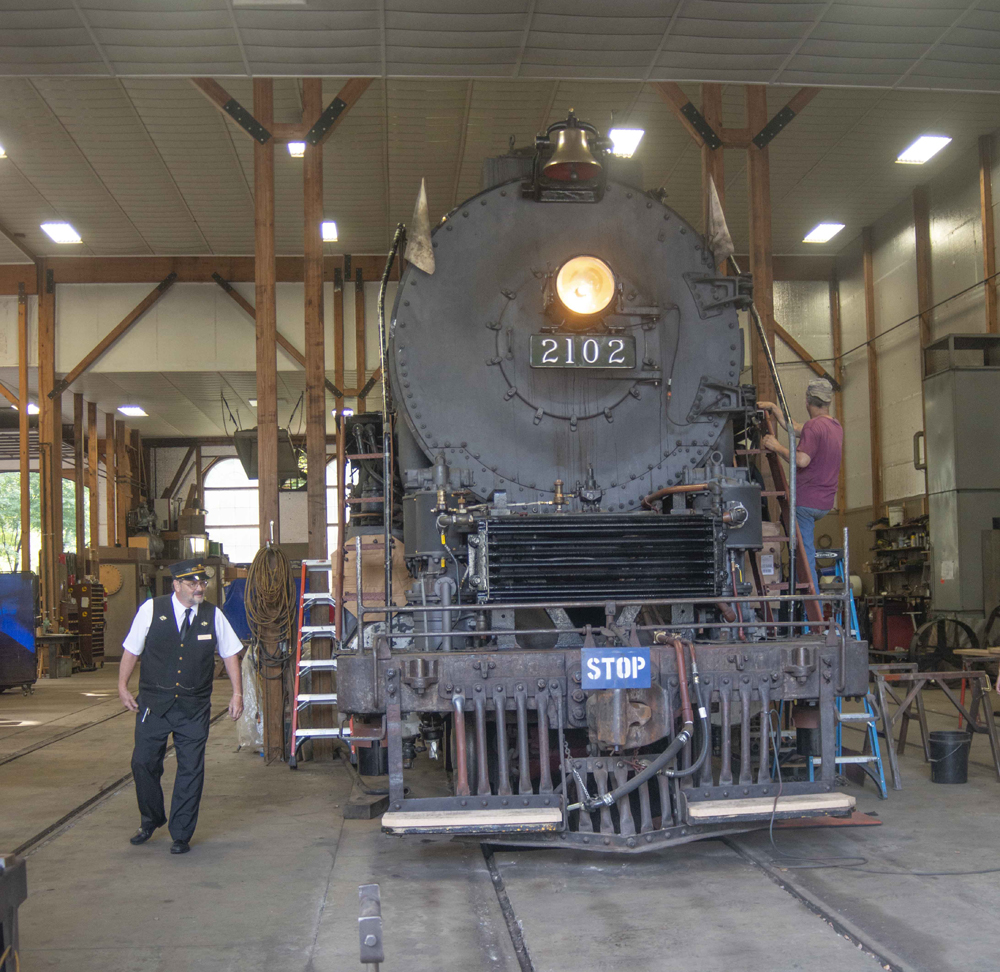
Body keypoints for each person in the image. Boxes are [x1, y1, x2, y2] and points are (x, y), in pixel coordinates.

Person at [118, 559, 244, 855]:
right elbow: (131, 649)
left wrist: (237, 693)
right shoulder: (151, 610)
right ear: (176, 586)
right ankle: (151, 818)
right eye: (193, 583)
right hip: (154, 703)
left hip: (193, 706)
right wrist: (122, 686)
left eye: (202, 583)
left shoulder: (213, 614)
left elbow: (230, 654)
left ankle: (181, 834)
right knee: (143, 762)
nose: (200, 588)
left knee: (190, 768)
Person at [760, 378, 843, 595]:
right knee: (803, 552)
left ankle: (810, 614)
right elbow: (796, 428)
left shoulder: (814, 427)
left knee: (804, 557)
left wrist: (776, 446)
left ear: (807, 401)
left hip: (806, 502)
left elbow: (802, 460)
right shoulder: (834, 426)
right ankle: (807, 605)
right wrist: (775, 410)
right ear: (827, 402)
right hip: (824, 503)